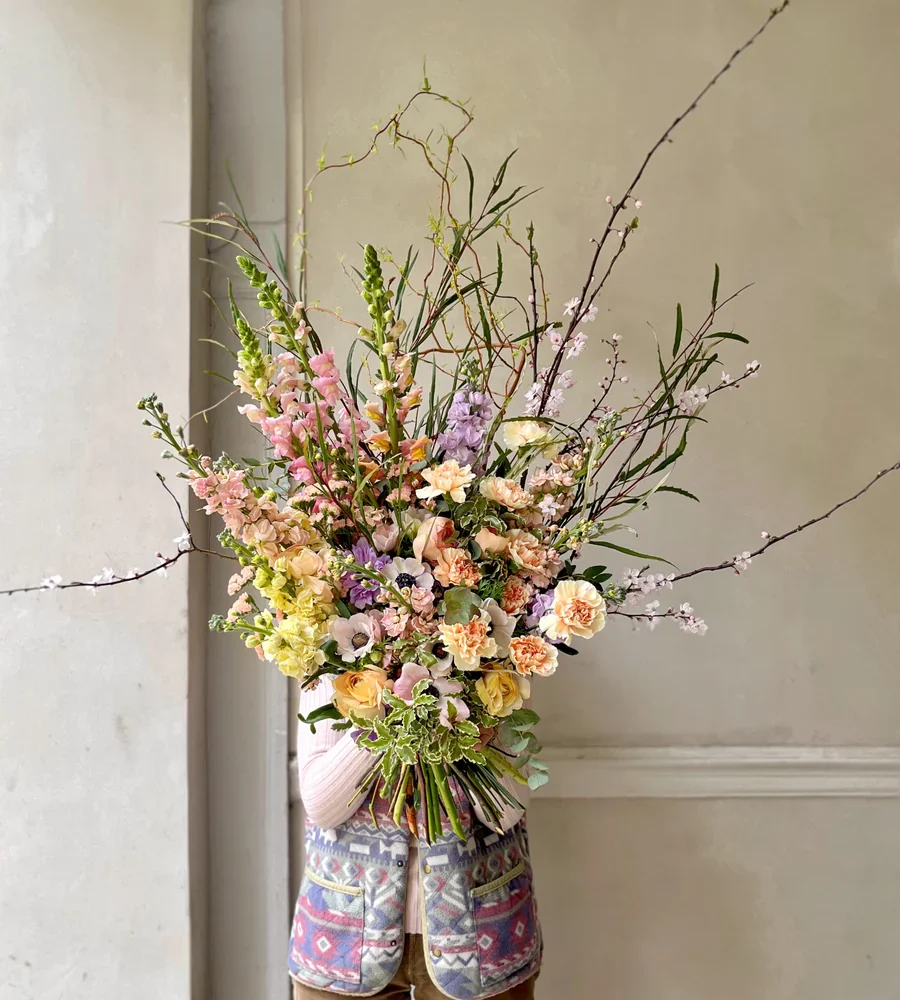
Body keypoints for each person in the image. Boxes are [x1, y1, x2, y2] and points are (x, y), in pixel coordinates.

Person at [289, 676, 542, 1000]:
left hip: (483, 938)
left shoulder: (501, 656)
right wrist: (389, 712)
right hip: (341, 937)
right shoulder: (323, 653)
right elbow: (322, 807)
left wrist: (457, 714)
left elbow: (505, 812)